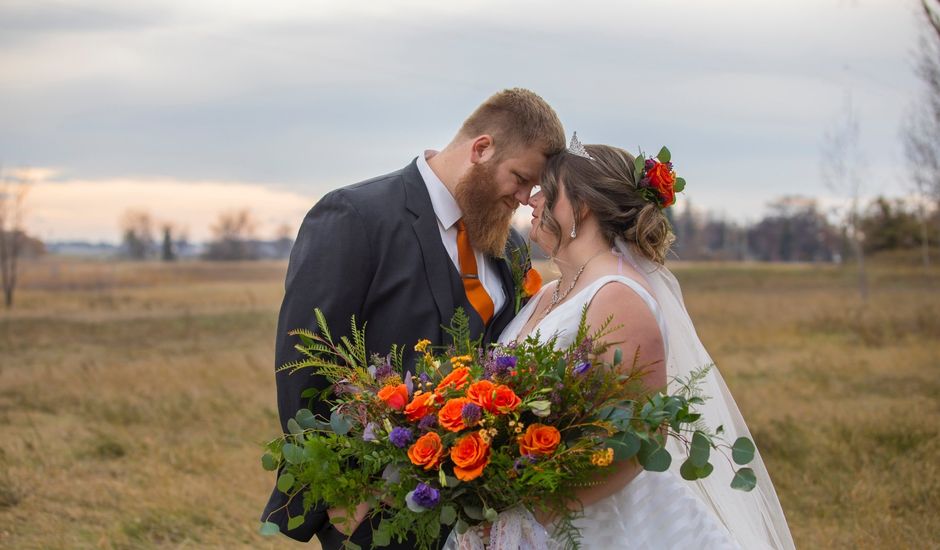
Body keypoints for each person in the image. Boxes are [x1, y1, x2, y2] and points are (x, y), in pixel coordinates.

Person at [260, 88, 566, 549]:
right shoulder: (355, 216)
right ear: (481, 149)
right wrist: (348, 493)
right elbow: (305, 363)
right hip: (370, 511)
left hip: (475, 513)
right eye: (520, 179)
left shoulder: (512, 246)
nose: (525, 199)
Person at [494, 135, 796, 549]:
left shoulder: (618, 295)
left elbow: (639, 440)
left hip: (593, 523)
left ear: (580, 208)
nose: (532, 200)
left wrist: (539, 507)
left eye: (547, 192)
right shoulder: (551, 292)